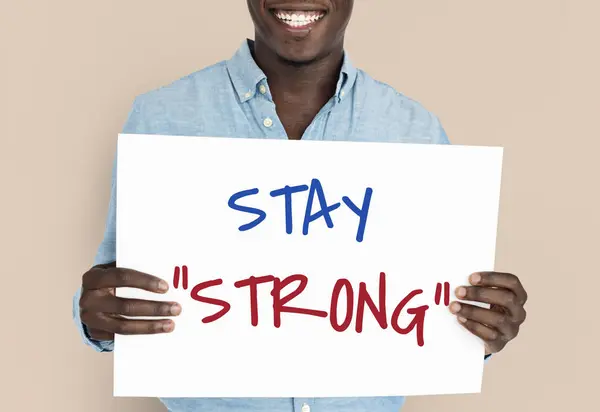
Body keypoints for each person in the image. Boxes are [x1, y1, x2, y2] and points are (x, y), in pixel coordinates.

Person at [73, 1, 528, 411]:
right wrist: (95, 318)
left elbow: (437, 312)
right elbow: (114, 289)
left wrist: (482, 331)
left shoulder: (416, 131)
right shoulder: (159, 118)